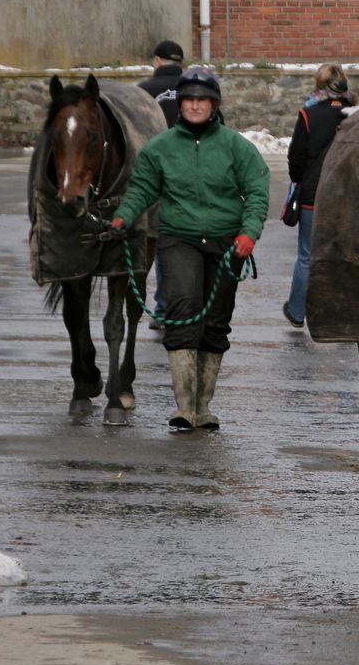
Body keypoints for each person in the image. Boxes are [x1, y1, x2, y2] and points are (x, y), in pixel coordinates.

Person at [112, 66, 270, 431]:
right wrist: (123, 217)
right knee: (184, 311)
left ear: (214, 105)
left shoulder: (236, 147)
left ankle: (204, 407)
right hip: (178, 239)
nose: (195, 106)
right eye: (189, 100)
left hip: (228, 242)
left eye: (203, 100)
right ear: (179, 104)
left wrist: (249, 232)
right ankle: (184, 407)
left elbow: (258, 192)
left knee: (215, 322)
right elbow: (141, 190)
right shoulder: (160, 148)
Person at [282, 63, 354, 328]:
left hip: (313, 193)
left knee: (306, 255)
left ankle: (298, 311)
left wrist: (299, 180)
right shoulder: (355, 116)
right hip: (346, 195)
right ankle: (344, 313)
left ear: (319, 85)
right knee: (344, 255)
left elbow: (295, 157)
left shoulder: (309, 114)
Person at [137, 39, 185, 329]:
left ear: (157, 61)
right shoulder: (196, 89)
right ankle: (174, 304)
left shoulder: (142, 92)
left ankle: (161, 305)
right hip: (188, 172)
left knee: (153, 237)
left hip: (152, 172)